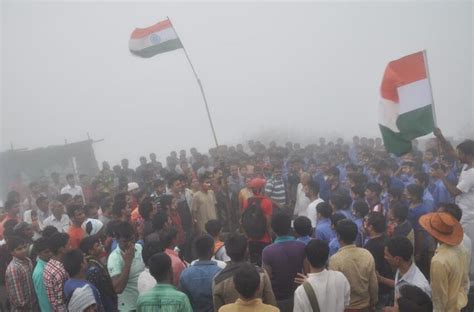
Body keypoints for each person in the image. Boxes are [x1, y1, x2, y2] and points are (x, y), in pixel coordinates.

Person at [419, 212, 469, 312]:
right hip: (460, 303)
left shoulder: (439, 261)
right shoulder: (462, 249)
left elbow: (439, 298)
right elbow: (465, 281)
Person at [212, 233, 277, 311]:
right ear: (247, 250)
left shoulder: (218, 280)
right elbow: (271, 301)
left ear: (227, 252)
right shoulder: (261, 273)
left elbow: (218, 309)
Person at [328, 219, 378, 311]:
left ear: (338, 236)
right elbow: (373, 284)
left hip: (345, 308)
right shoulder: (367, 254)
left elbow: (334, 290)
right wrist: (373, 302)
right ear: (355, 236)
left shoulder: (335, 260)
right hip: (365, 306)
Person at [262, 212, 306, 312]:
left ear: (273, 229)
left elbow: (266, 279)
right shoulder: (301, 246)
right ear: (289, 226)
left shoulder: (267, 251)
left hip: (277, 298)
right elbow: (307, 272)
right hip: (299, 295)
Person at [293, 239, 350, 312]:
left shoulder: (301, 291)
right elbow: (346, 302)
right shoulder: (341, 277)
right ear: (327, 258)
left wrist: (309, 284)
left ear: (307, 259)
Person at [107, 221, 145, 311]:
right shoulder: (114, 258)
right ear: (117, 239)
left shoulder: (139, 248)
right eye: (125, 241)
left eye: (132, 240)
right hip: (129, 308)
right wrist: (128, 262)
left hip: (144, 303)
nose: (129, 244)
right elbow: (118, 289)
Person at [382, 236, 431, 303]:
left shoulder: (419, 286)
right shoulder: (401, 269)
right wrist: (380, 279)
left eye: (387, 255)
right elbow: (398, 285)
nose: (385, 257)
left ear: (397, 259)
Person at [179, 235, 222, 312]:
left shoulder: (185, 274)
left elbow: (184, 301)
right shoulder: (220, 273)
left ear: (195, 251)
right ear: (212, 250)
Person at [363, 212, 394, 310]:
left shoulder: (370, 247)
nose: (363, 225)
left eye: (365, 222)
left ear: (370, 227)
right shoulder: (388, 239)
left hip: (379, 290)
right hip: (388, 286)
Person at [80, 236, 118, 312]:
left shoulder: (95, 262)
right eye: (97, 245)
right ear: (91, 251)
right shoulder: (93, 269)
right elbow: (103, 293)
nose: (101, 246)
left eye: (100, 244)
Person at [241, 178, 273, 266]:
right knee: (265, 263)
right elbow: (268, 223)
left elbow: (243, 219)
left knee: (254, 263)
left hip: (251, 239)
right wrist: (271, 237)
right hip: (264, 238)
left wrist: (247, 235)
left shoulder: (247, 201)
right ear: (261, 188)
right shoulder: (267, 202)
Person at [5, 236, 39, 311]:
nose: (23, 250)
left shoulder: (28, 260)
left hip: (33, 304)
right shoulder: (13, 269)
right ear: (12, 252)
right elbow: (18, 299)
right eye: (19, 249)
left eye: (24, 247)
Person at [405, 184, 431, 278]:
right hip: (412, 239)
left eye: (407, 193)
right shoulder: (410, 204)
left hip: (420, 243)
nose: (405, 194)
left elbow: (421, 232)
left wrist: (418, 252)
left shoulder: (422, 210)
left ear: (414, 196)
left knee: (421, 267)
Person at [43, 233, 70, 312]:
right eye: (69, 244)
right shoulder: (60, 271)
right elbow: (61, 302)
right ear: (61, 249)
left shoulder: (48, 265)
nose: (71, 246)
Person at [32, 238, 53, 312]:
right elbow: (44, 299)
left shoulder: (48, 263)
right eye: (46, 252)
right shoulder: (40, 273)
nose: (50, 254)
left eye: (51, 251)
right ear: (38, 253)